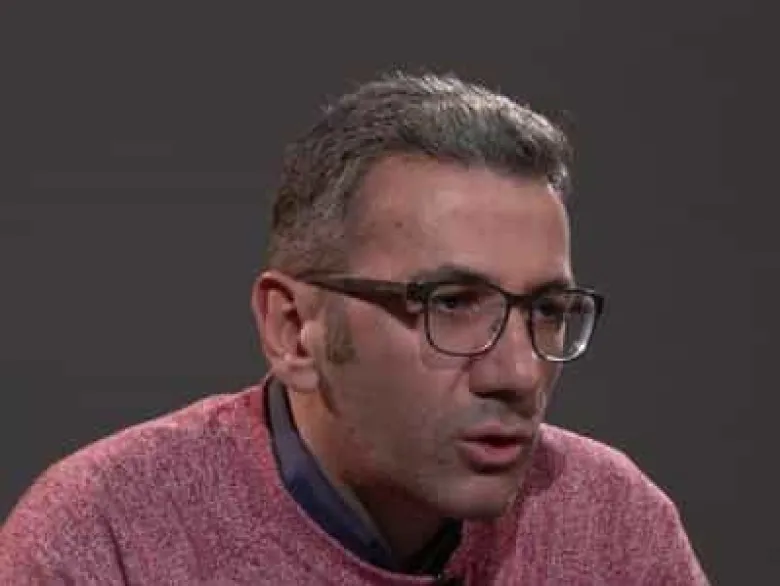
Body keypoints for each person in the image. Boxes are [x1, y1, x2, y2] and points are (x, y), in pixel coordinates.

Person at [0, 72, 710, 585]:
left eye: (546, 310)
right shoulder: (105, 540)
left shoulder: (611, 524)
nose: (519, 374)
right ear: (294, 330)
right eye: (451, 303)